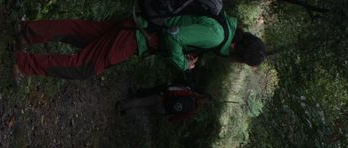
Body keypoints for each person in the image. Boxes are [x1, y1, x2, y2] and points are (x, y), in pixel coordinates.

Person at [14, 8, 265, 80]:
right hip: (137, 37)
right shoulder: (216, 37)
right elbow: (174, 35)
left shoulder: (222, 24)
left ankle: (27, 32)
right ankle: (23, 63)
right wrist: (182, 64)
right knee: (84, 66)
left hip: (140, 24)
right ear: (239, 54)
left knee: (82, 32)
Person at [116, 83, 209, 123]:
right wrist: (169, 118)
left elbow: (173, 91)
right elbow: (178, 118)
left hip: (162, 100)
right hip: (164, 110)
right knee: (144, 110)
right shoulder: (193, 110)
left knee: (141, 101)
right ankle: (124, 113)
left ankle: (121, 106)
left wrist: (163, 92)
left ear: (201, 95)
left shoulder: (190, 94)